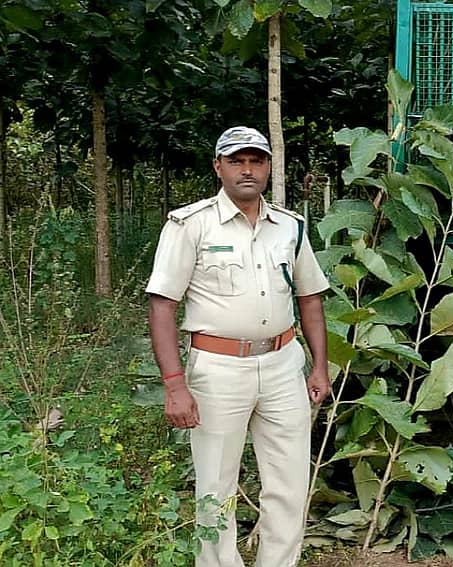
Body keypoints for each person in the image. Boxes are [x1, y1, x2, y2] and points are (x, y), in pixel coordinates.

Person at [146, 126, 331, 567]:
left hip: (285, 365)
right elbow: (161, 306)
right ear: (218, 167)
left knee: (289, 483)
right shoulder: (190, 225)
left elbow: (310, 298)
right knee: (216, 487)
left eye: (256, 160)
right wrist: (175, 384)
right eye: (236, 160)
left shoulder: (290, 227)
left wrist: (319, 367)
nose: (247, 170)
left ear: (268, 166)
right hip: (218, 369)